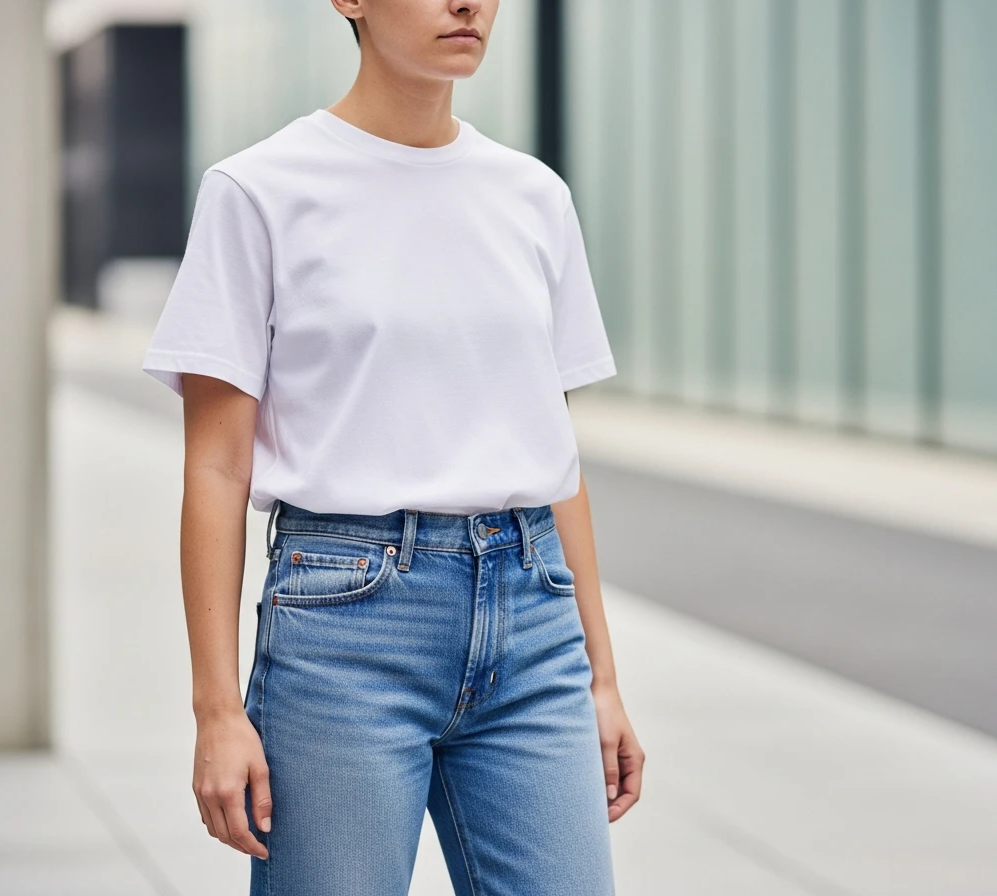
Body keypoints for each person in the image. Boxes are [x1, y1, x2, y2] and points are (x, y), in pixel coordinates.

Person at [141, 1, 644, 893]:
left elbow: (553, 455)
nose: (468, 3)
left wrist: (601, 676)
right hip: (345, 632)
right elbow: (217, 467)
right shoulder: (258, 191)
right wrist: (216, 708)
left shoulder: (533, 196)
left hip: (532, 627)